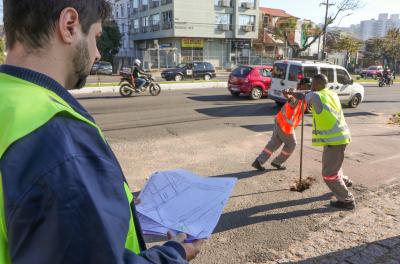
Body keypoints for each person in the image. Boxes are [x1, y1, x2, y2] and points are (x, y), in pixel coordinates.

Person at [0, 1, 202, 263]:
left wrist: (114, 205)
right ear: (69, 25)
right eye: (96, 37)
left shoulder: (8, 99)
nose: (97, 53)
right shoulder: (56, 135)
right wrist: (174, 253)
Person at [305, 74, 355, 210]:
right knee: (335, 166)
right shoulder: (331, 94)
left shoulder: (316, 96)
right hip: (341, 137)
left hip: (334, 141)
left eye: (313, 84)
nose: (311, 87)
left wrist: (294, 93)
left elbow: (307, 97)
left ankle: (346, 200)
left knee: (329, 174)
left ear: (318, 84)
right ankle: (344, 182)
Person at [251, 80, 308, 171]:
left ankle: (259, 161)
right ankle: (277, 162)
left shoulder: (303, 97)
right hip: (285, 126)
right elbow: (289, 98)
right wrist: (286, 93)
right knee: (292, 144)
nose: (309, 88)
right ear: (301, 86)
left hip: (280, 121)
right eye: (307, 86)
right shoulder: (296, 97)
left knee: (274, 143)